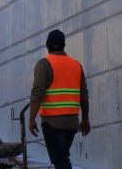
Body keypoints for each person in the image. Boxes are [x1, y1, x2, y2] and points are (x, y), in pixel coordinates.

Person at [29, 30, 90, 169]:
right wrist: (85, 119)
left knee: (60, 161)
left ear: (47, 45)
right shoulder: (76, 65)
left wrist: (31, 119)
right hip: (72, 124)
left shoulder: (44, 64)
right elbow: (84, 96)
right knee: (62, 157)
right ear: (64, 45)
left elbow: (37, 92)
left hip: (52, 123)